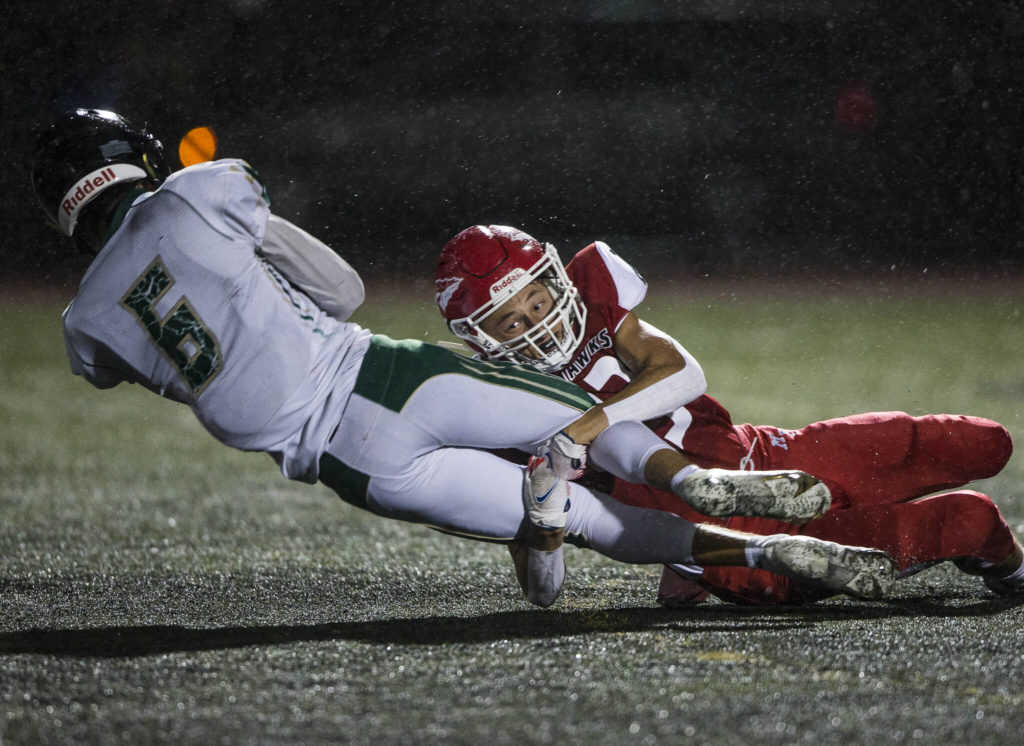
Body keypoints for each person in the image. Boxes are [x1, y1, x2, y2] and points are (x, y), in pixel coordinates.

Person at [31, 109, 902, 608]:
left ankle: (763, 552)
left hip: (340, 463)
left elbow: (165, 359)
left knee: (587, 528)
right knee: (577, 419)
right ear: (131, 160)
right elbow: (339, 291)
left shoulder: (85, 328)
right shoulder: (198, 191)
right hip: (379, 375)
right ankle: (690, 479)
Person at [434, 224, 1024, 604]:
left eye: (537, 298)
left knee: (981, 442)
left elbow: (684, 375)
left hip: (764, 455)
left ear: (557, 278)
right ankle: (1011, 571)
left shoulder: (597, 303)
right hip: (727, 541)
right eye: (512, 320)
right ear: (479, 339)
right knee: (968, 520)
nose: (538, 323)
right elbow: (544, 593)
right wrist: (544, 521)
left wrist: (583, 427)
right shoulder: (498, 412)